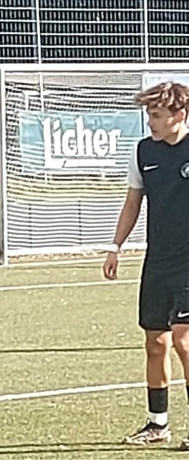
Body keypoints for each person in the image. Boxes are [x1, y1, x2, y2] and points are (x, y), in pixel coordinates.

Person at [104, 81, 189, 448]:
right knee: (156, 342)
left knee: (184, 341)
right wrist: (115, 247)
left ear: (179, 115)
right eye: (149, 115)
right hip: (158, 262)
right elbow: (132, 202)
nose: (151, 122)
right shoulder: (143, 152)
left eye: (156, 115)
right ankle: (158, 425)